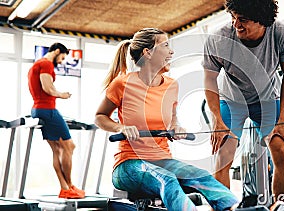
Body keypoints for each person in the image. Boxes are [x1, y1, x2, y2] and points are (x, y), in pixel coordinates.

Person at [94, 28, 240, 211]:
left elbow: (172, 121)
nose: (171, 51)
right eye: (165, 46)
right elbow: (100, 117)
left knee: (201, 175)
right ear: (147, 53)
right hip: (129, 164)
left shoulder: (171, 85)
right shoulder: (123, 84)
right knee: (166, 178)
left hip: (163, 160)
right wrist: (120, 127)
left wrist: (177, 128)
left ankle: (234, 207)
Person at [202, 0, 284, 206]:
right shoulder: (219, 38)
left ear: (262, 21)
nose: (236, 24)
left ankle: (280, 207)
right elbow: (210, 79)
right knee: (223, 154)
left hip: (267, 99)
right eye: (233, 18)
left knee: (281, 150)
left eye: (243, 20)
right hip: (231, 100)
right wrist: (217, 120)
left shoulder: (282, 35)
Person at [28, 43, 85, 199]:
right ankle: (70, 185)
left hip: (39, 109)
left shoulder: (38, 64)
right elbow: (48, 88)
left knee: (58, 150)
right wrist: (62, 94)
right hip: (48, 110)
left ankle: (65, 188)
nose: (61, 61)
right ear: (57, 51)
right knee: (70, 146)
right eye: (62, 57)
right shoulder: (45, 64)